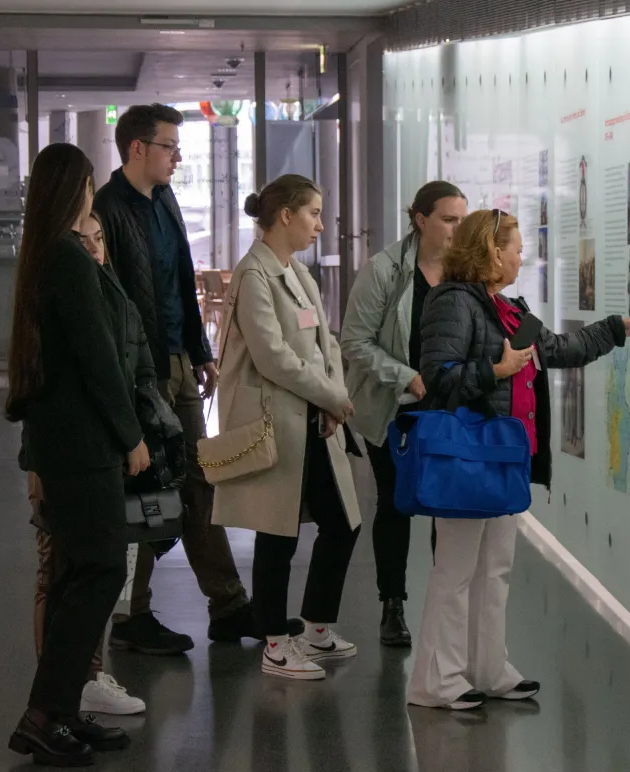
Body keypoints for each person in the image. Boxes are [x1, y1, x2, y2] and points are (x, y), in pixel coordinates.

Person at [407, 209, 630, 710]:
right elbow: (439, 376)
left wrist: (615, 329)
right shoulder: (451, 302)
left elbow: (559, 349)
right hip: (468, 455)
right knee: (454, 571)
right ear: (491, 250)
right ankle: (437, 679)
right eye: (516, 247)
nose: (523, 256)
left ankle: (487, 667)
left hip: (504, 454)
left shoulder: (506, 308)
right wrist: (495, 369)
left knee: (495, 567)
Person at [93, 103, 255, 653]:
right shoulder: (107, 209)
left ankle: (229, 603)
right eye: (169, 146)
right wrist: (134, 376)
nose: (178, 157)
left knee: (199, 478)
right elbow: (112, 303)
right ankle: (130, 617)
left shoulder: (164, 201)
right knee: (143, 489)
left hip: (178, 362)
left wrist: (200, 349)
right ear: (137, 148)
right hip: (141, 371)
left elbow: (181, 281)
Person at [6, 144, 141, 765]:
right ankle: (44, 713)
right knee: (101, 568)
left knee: (75, 573)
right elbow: (101, 360)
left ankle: (58, 711)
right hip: (83, 444)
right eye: (88, 184)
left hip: (65, 443)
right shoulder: (65, 259)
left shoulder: (52, 255)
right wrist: (130, 436)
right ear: (76, 190)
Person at [213, 175, 362, 681]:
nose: (321, 225)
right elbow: (272, 357)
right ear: (285, 216)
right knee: (277, 533)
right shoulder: (253, 275)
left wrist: (333, 396)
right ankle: (276, 643)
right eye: (314, 213)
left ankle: (316, 627)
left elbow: (327, 344)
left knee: (342, 523)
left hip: (313, 417)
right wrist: (331, 396)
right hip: (280, 420)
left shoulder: (296, 272)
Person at [25, 211, 149, 718]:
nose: (94, 247)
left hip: (105, 447)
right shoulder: (61, 280)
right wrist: (129, 436)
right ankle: (56, 694)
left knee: (96, 570)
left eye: (99, 238)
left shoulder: (109, 290)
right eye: (83, 239)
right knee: (65, 571)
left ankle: (76, 687)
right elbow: (76, 374)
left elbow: (131, 361)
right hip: (76, 451)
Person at [339, 180, 468, 647]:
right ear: (420, 219)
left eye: (461, 220)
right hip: (393, 406)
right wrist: (405, 375)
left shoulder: (464, 273)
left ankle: (444, 605)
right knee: (395, 503)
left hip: (447, 406)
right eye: (448, 220)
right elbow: (354, 340)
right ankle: (392, 605)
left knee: (447, 507)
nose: (456, 229)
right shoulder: (385, 270)